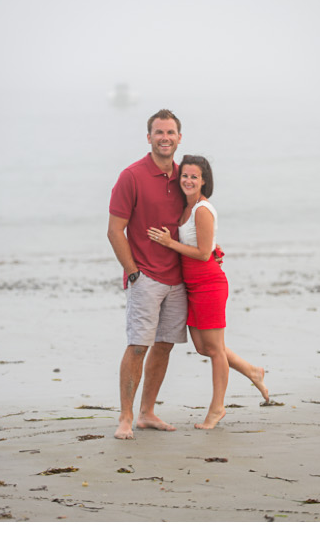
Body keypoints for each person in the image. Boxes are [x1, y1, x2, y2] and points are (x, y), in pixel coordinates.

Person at [147, 155, 269, 429]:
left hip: (209, 285)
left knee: (214, 351)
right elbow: (206, 244)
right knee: (205, 347)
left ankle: (217, 409)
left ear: (204, 181)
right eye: (185, 176)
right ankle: (252, 371)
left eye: (194, 177)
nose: (188, 180)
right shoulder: (186, 208)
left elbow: (203, 254)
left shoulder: (202, 209)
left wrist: (169, 242)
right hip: (191, 286)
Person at [107, 109, 188, 440]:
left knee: (165, 345)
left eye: (170, 132)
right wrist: (133, 272)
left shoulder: (186, 176)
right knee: (138, 346)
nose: (165, 137)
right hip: (146, 278)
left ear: (179, 137)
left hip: (179, 278)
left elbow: (196, 222)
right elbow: (115, 231)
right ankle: (125, 417)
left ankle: (147, 413)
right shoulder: (132, 176)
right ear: (149, 137)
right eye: (159, 132)